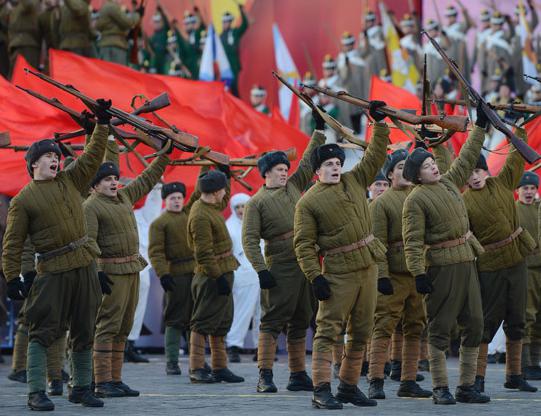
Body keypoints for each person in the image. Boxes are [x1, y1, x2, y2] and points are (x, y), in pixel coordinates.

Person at [2, 100, 112, 411]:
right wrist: (13, 277)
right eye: (49, 156)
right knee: (43, 331)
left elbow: (92, 158)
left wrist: (101, 126)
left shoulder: (71, 180)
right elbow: (12, 243)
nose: (55, 160)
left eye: (56, 156)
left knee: (84, 329)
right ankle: (36, 391)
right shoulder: (23, 200)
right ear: (33, 164)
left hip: (85, 266)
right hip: (51, 270)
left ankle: (80, 388)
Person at [294, 101, 390, 409]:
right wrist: (314, 276)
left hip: (368, 266)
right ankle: (321, 388)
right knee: (328, 331)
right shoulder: (308, 203)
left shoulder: (355, 179)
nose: (335, 168)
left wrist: (379, 124)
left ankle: (348, 386)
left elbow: (375, 156)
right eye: (329, 165)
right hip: (337, 272)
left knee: (362, 330)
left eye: (338, 163)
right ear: (317, 172)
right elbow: (304, 244)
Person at [402, 104, 490, 405]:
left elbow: (466, 158)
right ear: (416, 174)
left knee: (476, 323)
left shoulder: (450, 183)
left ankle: (466, 386)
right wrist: (418, 273)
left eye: (433, 162)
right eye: (426, 166)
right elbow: (412, 241)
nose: (434, 167)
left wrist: (479, 126)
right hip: (441, 267)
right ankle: (440, 388)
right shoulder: (415, 200)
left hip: (467, 261)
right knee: (439, 329)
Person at [242, 110, 326, 394]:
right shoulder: (256, 203)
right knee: (273, 320)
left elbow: (306, 162)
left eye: (284, 169)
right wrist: (261, 270)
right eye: (279, 169)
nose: (284, 172)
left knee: (303, 318)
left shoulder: (293, 187)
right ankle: (264, 375)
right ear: (266, 173)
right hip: (279, 265)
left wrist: (319, 130)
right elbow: (250, 240)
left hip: (305, 261)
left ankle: (297, 373)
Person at [85, 141, 170, 398]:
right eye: (107, 179)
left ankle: (115, 378)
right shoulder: (90, 206)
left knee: (124, 326)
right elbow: (88, 242)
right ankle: (101, 381)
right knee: (108, 326)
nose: (113, 182)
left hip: (132, 269)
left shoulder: (123, 196)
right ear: (95, 185)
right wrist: (96, 272)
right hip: (110, 273)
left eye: (115, 178)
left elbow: (147, 179)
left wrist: (165, 155)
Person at [463, 135, 538, 394]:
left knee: (518, 319)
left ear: (485, 170)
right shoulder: (464, 201)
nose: (474, 177)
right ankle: (478, 377)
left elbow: (517, 159)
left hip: (516, 260)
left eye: (478, 170)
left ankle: (514, 375)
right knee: (487, 321)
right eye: (469, 172)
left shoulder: (502, 182)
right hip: (489, 265)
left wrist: (516, 130)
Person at [367, 148, 431, 400]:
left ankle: (408, 380)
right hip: (393, 275)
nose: (405, 171)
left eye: (408, 166)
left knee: (416, 327)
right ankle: (375, 380)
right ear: (390, 173)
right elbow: (377, 243)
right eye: (400, 166)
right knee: (383, 326)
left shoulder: (420, 196)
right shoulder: (381, 203)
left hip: (417, 274)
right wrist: (382, 276)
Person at [187, 169, 244, 384]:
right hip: (211, 275)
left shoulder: (210, 205)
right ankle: (196, 367)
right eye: (223, 190)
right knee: (203, 322)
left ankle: (220, 367)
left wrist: (225, 177)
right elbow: (203, 253)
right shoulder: (200, 214)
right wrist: (217, 276)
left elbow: (224, 198)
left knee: (221, 322)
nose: (225, 194)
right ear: (215, 192)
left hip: (223, 271)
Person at [148, 180, 200, 375]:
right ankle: (171, 362)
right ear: (165, 201)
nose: (177, 201)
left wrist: (206, 167)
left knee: (195, 318)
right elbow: (156, 252)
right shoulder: (159, 223)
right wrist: (164, 274)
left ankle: (197, 361)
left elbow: (198, 193)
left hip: (195, 273)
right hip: (175, 275)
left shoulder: (189, 214)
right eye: (172, 198)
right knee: (175, 318)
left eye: (179, 197)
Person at [125, 183, 163, 363]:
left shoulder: (142, 216)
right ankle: (113, 347)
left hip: (141, 268)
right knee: (118, 309)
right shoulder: (107, 212)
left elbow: (154, 204)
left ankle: (129, 345)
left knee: (138, 308)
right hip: (118, 269)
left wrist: (156, 185)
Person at [225, 193, 260, 363]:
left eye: (243, 206)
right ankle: (233, 346)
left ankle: (261, 347)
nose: (240, 210)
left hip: (261, 272)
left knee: (262, 313)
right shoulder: (229, 227)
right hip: (242, 275)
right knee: (242, 311)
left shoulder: (257, 223)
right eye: (237, 207)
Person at [516, 171, 541, 380]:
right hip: (525, 268)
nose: (529, 192)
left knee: (539, 317)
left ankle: (535, 362)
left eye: (533, 188)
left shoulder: (539, 209)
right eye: (525, 188)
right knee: (527, 315)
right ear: (518, 191)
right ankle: (523, 364)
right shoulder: (514, 210)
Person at [96, 0, 141, 65]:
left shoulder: (106, 6)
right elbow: (127, 22)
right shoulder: (112, 7)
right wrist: (137, 15)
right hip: (115, 46)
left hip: (108, 44)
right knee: (116, 72)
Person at [220, 4, 248, 96]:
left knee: (234, 87)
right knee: (225, 88)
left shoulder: (235, 32)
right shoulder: (220, 36)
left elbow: (245, 25)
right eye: (223, 22)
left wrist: (241, 12)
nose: (224, 24)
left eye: (226, 22)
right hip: (224, 67)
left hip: (234, 65)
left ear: (230, 22)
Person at [7, 0, 41, 76]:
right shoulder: (16, 8)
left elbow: (28, 5)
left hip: (27, 46)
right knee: (16, 76)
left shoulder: (30, 3)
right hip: (16, 46)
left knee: (27, 76)